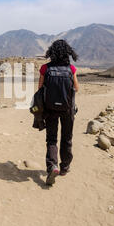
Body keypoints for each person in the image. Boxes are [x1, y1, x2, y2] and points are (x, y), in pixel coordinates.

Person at [38, 40, 79, 186]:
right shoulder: (71, 69)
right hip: (67, 109)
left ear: (52, 52)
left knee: (51, 139)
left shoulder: (45, 68)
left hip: (50, 109)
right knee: (67, 138)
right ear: (67, 52)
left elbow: (40, 89)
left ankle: (52, 166)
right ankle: (64, 167)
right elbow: (76, 88)